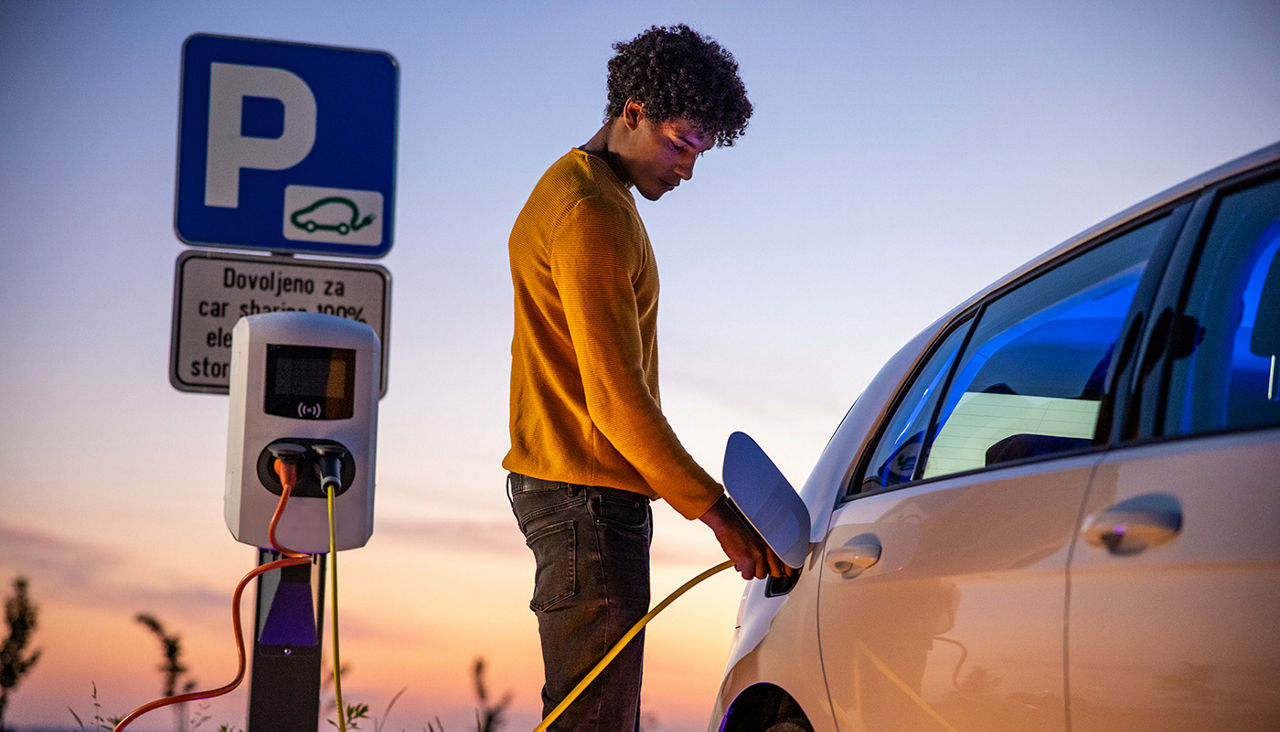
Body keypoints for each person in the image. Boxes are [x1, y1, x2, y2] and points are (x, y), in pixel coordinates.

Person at [504, 23, 787, 730]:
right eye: (680, 143)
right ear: (632, 111)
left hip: (580, 493)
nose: (688, 169)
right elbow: (616, 399)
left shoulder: (587, 191)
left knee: (588, 717)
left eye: (701, 152)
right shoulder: (591, 212)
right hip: (586, 499)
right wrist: (719, 513)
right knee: (595, 722)